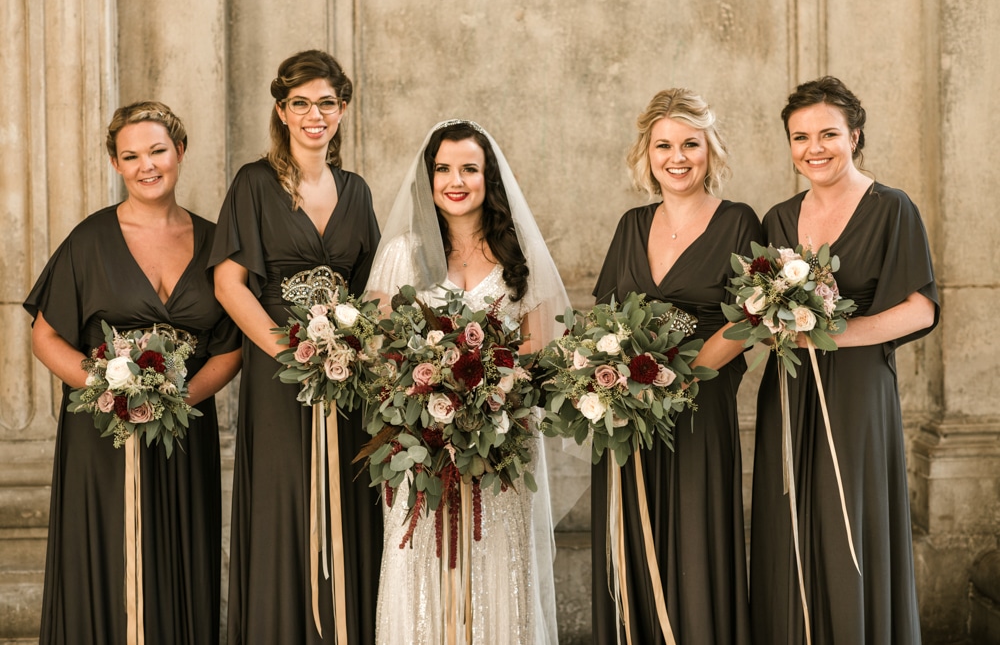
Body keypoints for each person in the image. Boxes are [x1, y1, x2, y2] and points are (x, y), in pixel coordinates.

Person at [24, 101, 242, 645]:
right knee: (107, 557)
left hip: (182, 435)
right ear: (117, 165)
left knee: (181, 553)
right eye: (131, 155)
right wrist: (109, 391)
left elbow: (231, 347)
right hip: (102, 433)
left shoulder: (219, 242)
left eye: (158, 151)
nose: (147, 165)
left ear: (181, 153)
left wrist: (176, 398)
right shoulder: (90, 239)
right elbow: (45, 337)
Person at [749, 76, 937, 644]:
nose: (815, 148)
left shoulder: (892, 208)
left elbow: (920, 310)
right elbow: (760, 312)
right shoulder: (778, 218)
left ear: (855, 136)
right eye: (800, 136)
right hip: (789, 390)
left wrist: (825, 336)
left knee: (847, 528)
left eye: (828, 133)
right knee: (789, 529)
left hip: (858, 394)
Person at [365, 120, 568, 644]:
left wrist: (485, 401)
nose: (456, 180)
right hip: (422, 451)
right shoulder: (402, 256)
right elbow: (381, 354)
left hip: (498, 454)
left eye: (469, 169)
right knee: (419, 572)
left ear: (489, 178)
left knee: (498, 569)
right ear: (428, 179)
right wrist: (430, 399)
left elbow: (540, 355)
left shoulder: (517, 260)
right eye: (444, 169)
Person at [210, 50, 382, 644]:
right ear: (282, 111)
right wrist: (291, 352)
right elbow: (229, 283)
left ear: (342, 110)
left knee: (349, 496)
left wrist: (352, 352)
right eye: (302, 103)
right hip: (281, 375)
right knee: (287, 500)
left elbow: (373, 290)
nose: (315, 115)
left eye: (327, 103)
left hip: (348, 374)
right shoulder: (254, 184)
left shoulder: (357, 192)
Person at [590, 89, 760, 644]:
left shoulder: (739, 222)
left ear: (710, 149)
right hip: (629, 414)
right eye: (664, 145)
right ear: (647, 152)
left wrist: (677, 379)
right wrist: (619, 382)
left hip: (698, 408)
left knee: (695, 543)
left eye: (691, 143)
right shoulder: (631, 224)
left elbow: (749, 317)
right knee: (632, 541)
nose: (677, 157)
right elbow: (603, 321)